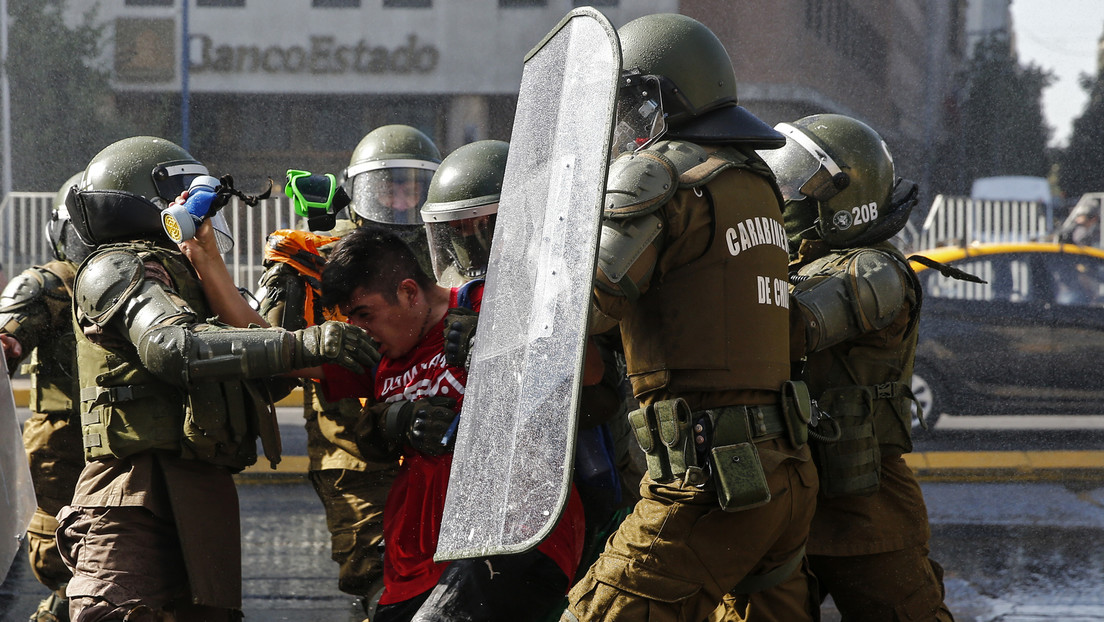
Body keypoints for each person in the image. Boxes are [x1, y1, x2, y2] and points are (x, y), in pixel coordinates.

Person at [53, 135, 379, 622]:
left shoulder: (193, 277)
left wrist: (284, 296)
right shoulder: (117, 267)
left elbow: (262, 379)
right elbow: (173, 347)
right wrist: (306, 343)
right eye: (184, 195)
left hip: (204, 500)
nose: (200, 209)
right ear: (146, 202)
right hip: (133, 496)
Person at [563, 13, 819, 622]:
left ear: (663, 96)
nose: (624, 122)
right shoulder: (753, 181)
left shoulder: (659, 177)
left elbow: (588, 305)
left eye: (632, 103)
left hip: (706, 479)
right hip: (783, 470)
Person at [745, 113, 954, 621]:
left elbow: (789, 325)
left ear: (841, 197)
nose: (787, 193)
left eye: (799, 183)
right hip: (785, 498)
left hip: (866, 507)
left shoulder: (875, 270)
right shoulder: (789, 260)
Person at [320, 226, 586, 622]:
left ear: (409, 292)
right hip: (413, 563)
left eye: (364, 314)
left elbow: (590, 371)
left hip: (511, 534)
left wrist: (500, 341)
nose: (362, 331)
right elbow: (290, 361)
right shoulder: (383, 356)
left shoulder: (487, 301)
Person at [256, 124, 442, 606]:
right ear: (357, 192)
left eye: (411, 185)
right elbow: (270, 362)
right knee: (379, 582)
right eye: (386, 185)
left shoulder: (454, 245)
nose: (399, 198)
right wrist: (313, 328)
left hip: (446, 444)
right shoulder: (315, 256)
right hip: (355, 449)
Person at [0, 173, 90, 622]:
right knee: (65, 562)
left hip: (133, 443)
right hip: (65, 445)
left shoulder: (154, 279)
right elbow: (5, 341)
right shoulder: (50, 285)